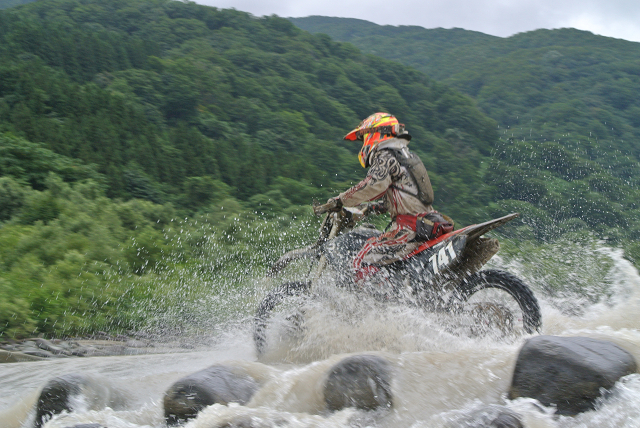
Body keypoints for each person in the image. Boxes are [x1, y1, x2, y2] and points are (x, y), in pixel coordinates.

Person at [328, 112, 453, 283]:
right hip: (426, 223)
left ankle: (371, 305)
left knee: (363, 256)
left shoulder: (386, 156)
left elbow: (372, 185)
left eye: (365, 138)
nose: (364, 144)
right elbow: (406, 195)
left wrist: (340, 200)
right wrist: (373, 208)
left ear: (376, 134)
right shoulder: (407, 155)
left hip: (409, 229)